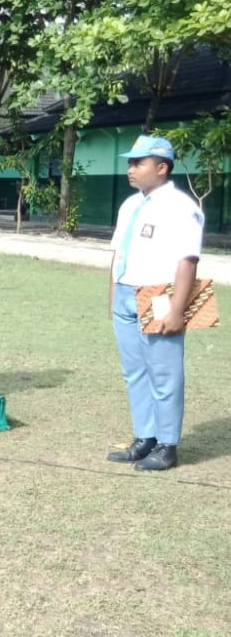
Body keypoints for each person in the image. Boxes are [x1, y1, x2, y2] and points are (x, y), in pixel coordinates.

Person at [105, 135, 204, 472]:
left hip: (159, 294)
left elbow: (187, 261)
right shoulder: (130, 205)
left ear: (162, 168)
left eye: (139, 163)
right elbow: (118, 253)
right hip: (125, 293)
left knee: (164, 372)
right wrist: (113, 296)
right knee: (134, 371)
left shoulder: (181, 207)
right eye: (130, 163)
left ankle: (166, 444)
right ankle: (145, 437)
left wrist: (177, 309)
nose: (131, 169)